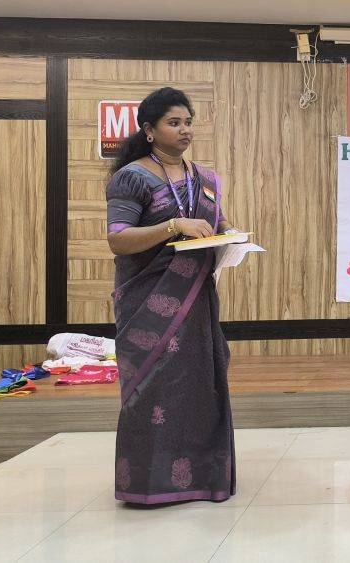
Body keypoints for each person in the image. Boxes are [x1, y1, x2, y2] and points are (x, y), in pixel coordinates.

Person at [105, 87, 240, 505]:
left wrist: (231, 234)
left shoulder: (204, 179)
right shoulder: (133, 177)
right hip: (150, 304)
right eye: (174, 123)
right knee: (154, 387)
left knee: (200, 386)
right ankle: (147, 485)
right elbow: (118, 239)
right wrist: (173, 227)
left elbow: (216, 222)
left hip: (196, 302)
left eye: (188, 122)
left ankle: (203, 479)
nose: (185, 130)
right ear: (149, 130)